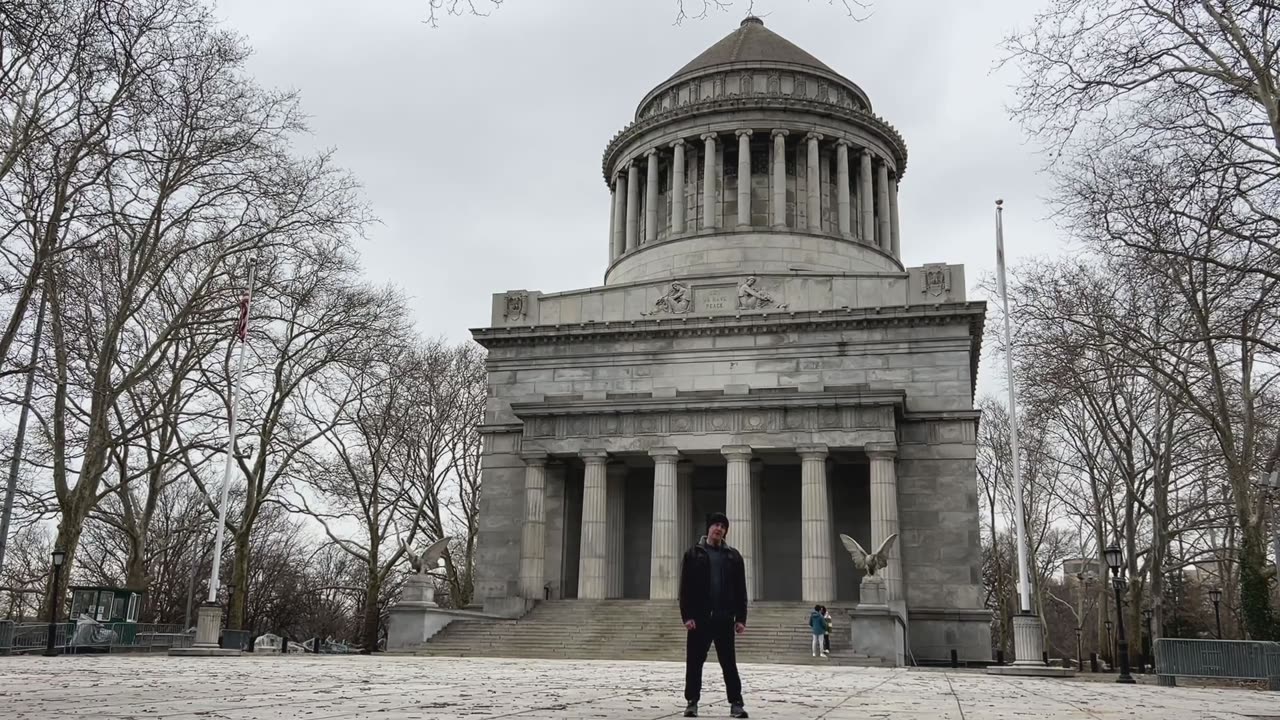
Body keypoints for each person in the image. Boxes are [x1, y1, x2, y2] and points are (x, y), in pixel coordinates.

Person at [679, 512, 749, 718]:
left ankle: (736, 703)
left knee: (729, 663)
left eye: (722, 526)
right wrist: (687, 616)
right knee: (694, 662)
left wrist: (741, 618)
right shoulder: (693, 554)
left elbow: (740, 590)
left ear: (725, 531)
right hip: (700, 619)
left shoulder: (733, 556)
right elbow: (685, 588)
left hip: (724, 618)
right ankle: (692, 702)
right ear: (708, 528)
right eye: (715, 525)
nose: (719, 528)